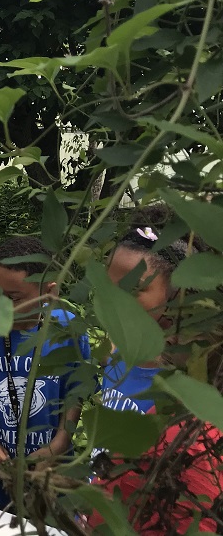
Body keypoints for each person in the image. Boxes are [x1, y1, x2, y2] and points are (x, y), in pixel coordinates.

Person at [92, 214, 221, 534]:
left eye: (131, 291)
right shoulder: (116, 355)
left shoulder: (196, 401)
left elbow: (195, 517)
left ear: (182, 298)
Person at [0, 236, 90, 509]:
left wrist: (58, 444)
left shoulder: (69, 331)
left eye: (13, 298)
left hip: (50, 480)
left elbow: (76, 394)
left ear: (50, 293)